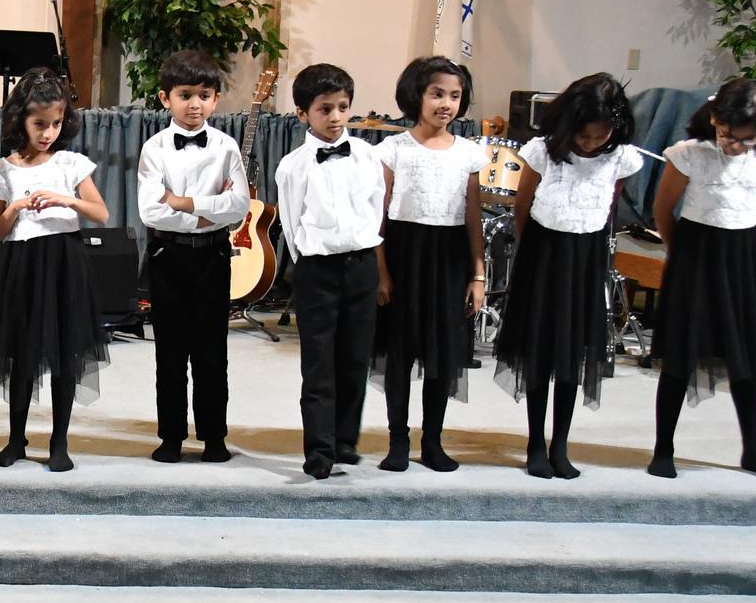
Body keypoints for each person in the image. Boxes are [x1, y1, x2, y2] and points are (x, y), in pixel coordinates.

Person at [493, 73, 645, 479]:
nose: (590, 143)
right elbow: (521, 207)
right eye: (583, 135)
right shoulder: (543, 151)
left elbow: (608, 207)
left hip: (586, 259)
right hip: (543, 255)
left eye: (599, 136)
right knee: (540, 350)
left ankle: (560, 444)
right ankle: (534, 443)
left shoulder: (621, 158)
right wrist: (534, 252)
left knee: (572, 354)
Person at [648, 78, 756, 481]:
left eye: (744, 140)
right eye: (727, 135)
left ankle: (753, 449)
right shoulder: (689, 154)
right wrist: (678, 252)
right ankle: (663, 450)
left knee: (745, 352)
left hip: (743, 257)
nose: (733, 146)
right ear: (714, 119)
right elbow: (663, 208)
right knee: (680, 353)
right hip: (694, 254)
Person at [0, 66, 111, 473]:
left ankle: (59, 441)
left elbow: (101, 213)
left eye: (55, 123)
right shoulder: (3, 169)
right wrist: (16, 207)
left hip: (64, 261)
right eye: (39, 124)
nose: (48, 132)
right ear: (21, 120)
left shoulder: (70, 164)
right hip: (23, 264)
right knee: (21, 353)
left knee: (65, 353)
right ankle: (16, 439)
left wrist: (65, 199)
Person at [373, 55, 487, 473]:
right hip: (405, 253)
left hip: (450, 257)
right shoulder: (393, 150)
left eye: (454, 96)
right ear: (416, 95)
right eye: (437, 94)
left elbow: (473, 217)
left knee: (443, 352)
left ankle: (433, 440)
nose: (446, 104)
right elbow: (378, 217)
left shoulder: (469, 153)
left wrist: (478, 274)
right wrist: (381, 271)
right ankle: (398, 439)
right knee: (400, 353)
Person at [136, 49, 249, 464]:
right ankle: (171, 436)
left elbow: (239, 206)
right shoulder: (154, 149)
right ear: (165, 98)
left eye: (204, 95)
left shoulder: (227, 147)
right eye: (185, 95)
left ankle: (214, 437)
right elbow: (150, 211)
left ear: (216, 99)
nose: (195, 104)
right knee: (169, 351)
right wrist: (210, 209)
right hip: (167, 255)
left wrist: (183, 203)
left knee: (212, 351)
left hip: (213, 256)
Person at [273, 63, 384, 480]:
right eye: (325, 109)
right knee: (318, 362)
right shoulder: (293, 166)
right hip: (317, 269)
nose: (335, 117)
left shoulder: (368, 157)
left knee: (355, 358)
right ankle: (319, 450)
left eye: (342, 107)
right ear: (303, 113)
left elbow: (376, 208)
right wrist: (310, 265)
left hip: (361, 265)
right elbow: (291, 223)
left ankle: (345, 441)